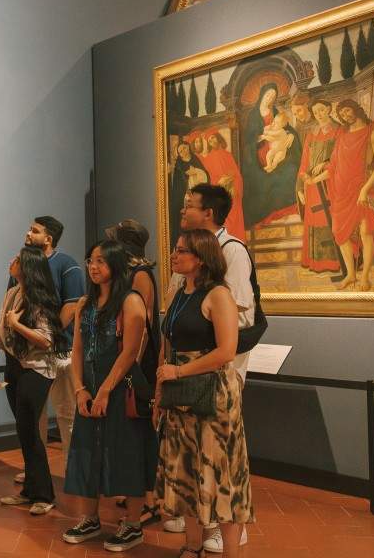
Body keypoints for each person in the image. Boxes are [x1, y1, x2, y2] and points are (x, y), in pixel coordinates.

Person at [164, 184, 253, 553]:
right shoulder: (182, 292)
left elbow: (227, 349)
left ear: (200, 257)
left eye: (182, 251)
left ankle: (229, 547)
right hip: (180, 394)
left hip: (212, 392)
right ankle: (191, 544)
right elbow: (169, 338)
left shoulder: (218, 294)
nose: (174, 255)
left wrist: (180, 373)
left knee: (222, 475)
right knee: (184, 471)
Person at [62, 240, 156, 552]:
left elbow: (130, 352)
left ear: (116, 264)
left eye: (101, 261)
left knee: (126, 451)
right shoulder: (85, 303)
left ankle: (132, 524)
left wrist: (104, 390)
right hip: (88, 387)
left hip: (120, 387)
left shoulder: (131, 301)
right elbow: (76, 350)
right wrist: (79, 388)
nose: (93, 267)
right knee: (86, 450)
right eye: (90, 260)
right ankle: (89, 518)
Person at [0, 246, 66, 515]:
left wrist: (17, 325)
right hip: (15, 367)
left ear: (28, 266)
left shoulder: (41, 299)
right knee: (23, 428)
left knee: (30, 430)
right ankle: (30, 490)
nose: (12, 261)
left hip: (37, 369)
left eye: (17, 259)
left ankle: (44, 494)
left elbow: (46, 339)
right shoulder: (12, 293)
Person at [11, 216, 85, 486]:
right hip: (32, 354)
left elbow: (73, 304)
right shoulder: (25, 264)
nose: (28, 233)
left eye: (35, 230)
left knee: (66, 413)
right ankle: (36, 470)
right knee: (34, 416)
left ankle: (72, 469)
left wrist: (51, 335)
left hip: (60, 350)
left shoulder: (67, 265)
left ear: (49, 238)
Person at [105, 219, 161, 523]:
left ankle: (149, 497)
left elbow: (141, 324)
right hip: (131, 361)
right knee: (133, 428)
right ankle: (138, 489)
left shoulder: (140, 275)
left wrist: (132, 366)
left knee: (141, 428)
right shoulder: (131, 274)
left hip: (139, 363)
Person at [327, 99, 374, 290]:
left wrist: (365, 189)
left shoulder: (371, 131)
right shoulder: (342, 133)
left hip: (363, 187)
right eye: (342, 114)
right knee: (340, 233)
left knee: (366, 231)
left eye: (347, 111)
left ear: (355, 109)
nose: (345, 115)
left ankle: (364, 276)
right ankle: (350, 274)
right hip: (342, 190)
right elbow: (334, 162)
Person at [239, 82, 301, 228]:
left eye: (273, 96)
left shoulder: (274, 110)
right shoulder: (253, 115)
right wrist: (260, 139)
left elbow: (286, 127)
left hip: (277, 147)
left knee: (291, 168)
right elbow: (249, 140)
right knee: (258, 179)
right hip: (259, 153)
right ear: (262, 95)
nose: (270, 99)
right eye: (268, 95)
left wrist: (291, 135)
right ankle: (263, 215)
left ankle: (285, 210)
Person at [296, 99, 340, 273]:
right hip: (312, 185)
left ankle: (333, 262)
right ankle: (317, 262)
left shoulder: (338, 131)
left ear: (329, 108)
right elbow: (304, 161)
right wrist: (304, 177)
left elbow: (340, 157)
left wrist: (326, 164)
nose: (319, 115)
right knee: (315, 220)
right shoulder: (311, 134)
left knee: (330, 220)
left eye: (322, 110)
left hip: (331, 183)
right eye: (316, 112)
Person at [202, 132, 245, 240]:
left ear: (218, 138)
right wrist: (219, 181)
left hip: (232, 191)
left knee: (234, 209)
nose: (212, 141)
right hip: (219, 193)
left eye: (213, 138)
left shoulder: (227, 155)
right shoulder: (209, 159)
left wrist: (231, 181)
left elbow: (237, 175)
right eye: (209, 141)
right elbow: (209, 179)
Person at [170, 140, 208, 249]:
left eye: (184, 148)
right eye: (180, 151)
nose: (183, 151)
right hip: (184, 197)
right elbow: (178, 184)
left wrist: (197, 172)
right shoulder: (179, 164)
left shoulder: (196, 159)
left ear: (188, 147)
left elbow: (205, 175)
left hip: (197, 195)